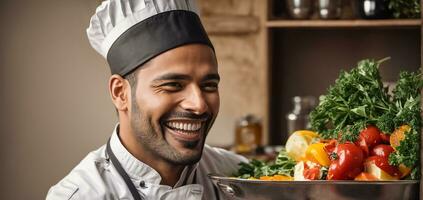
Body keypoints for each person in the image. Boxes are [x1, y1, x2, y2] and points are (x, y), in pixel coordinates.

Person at [46, 0, 247, 199]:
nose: (199, 104)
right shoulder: (82, 196)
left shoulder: (237, 176)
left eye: (209, 85)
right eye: (173, 85)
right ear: (120, 93)